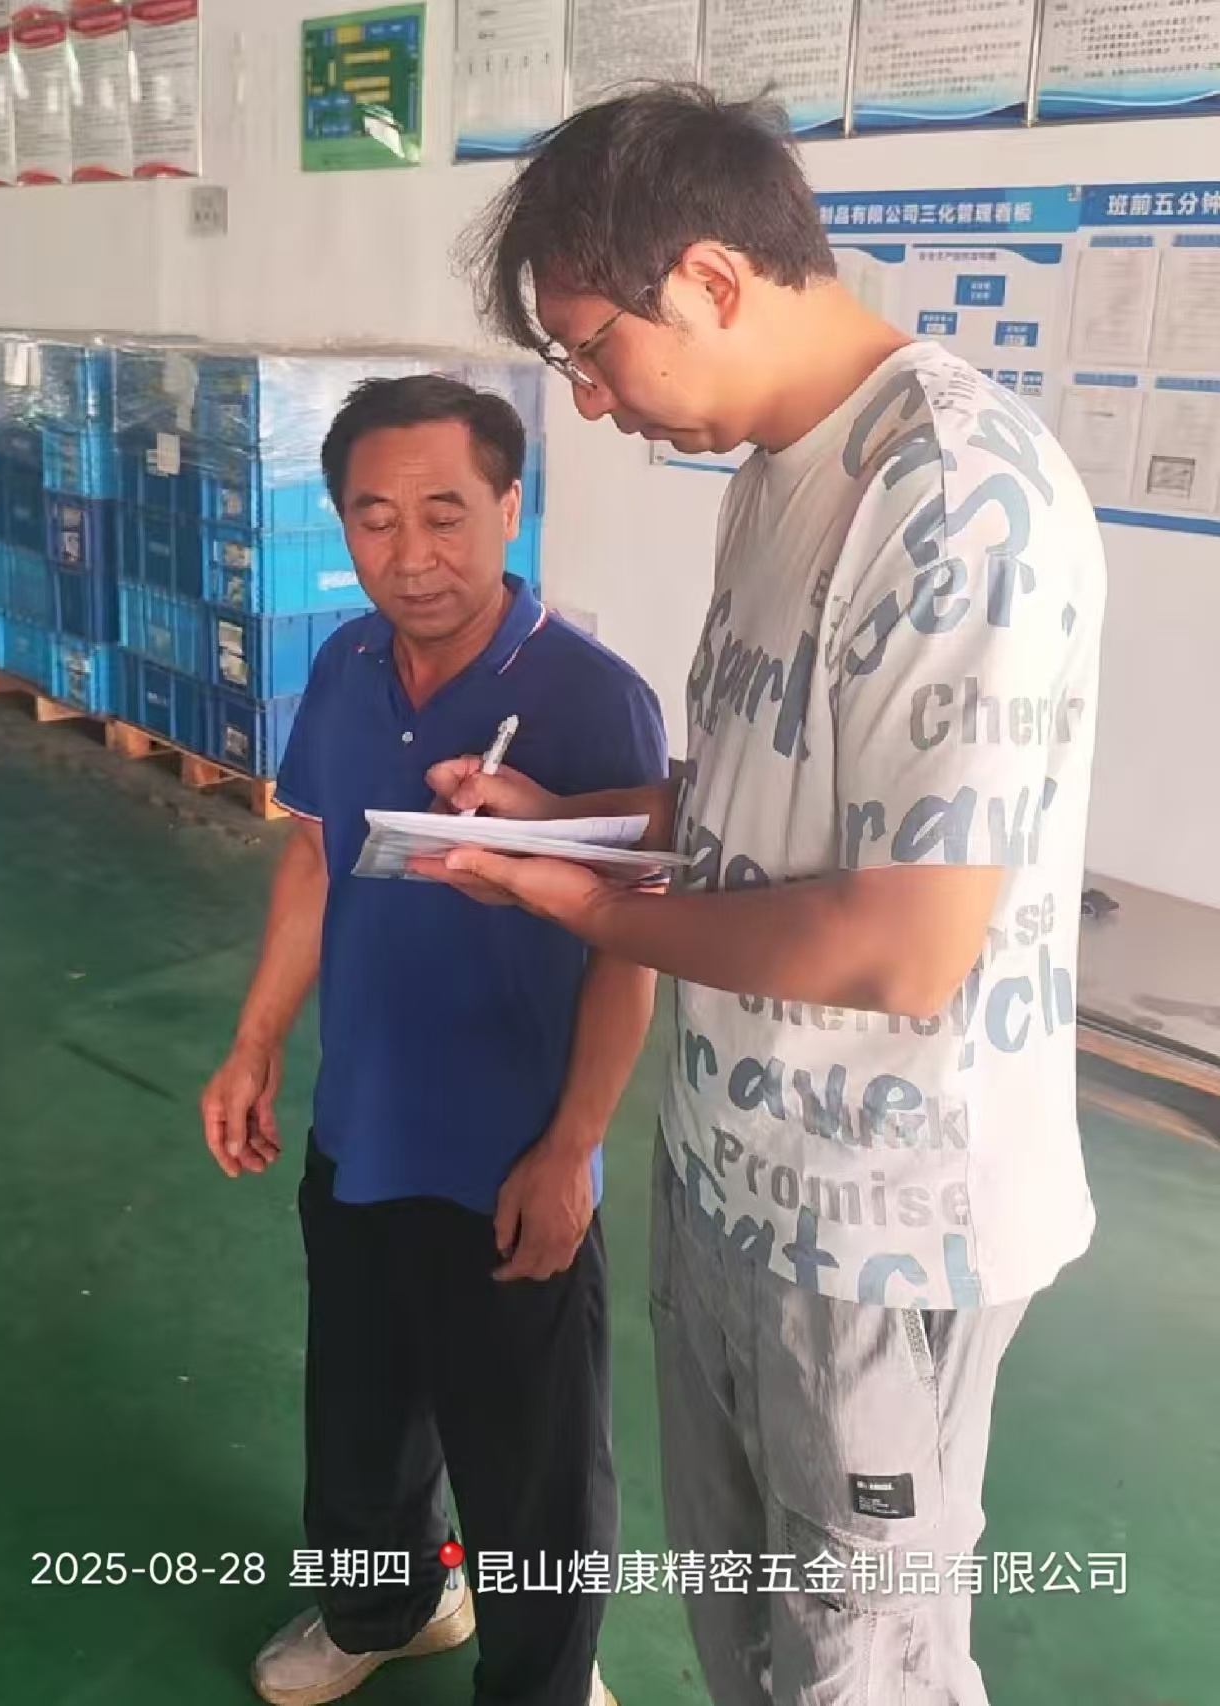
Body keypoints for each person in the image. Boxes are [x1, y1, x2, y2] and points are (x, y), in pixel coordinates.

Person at [422, 88, 1107, 1706]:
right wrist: (571, 821)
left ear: (713, 282)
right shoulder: (779, 471)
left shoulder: (952, 497)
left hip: (881, 1226)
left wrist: (588, 912)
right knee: (746, 1631)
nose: (589, 400)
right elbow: (759, 789)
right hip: (739, 1177)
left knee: (865, 1662)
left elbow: (901, 942)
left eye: (593, 350)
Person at [201, 374, 667, 1706]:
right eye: (376, 518)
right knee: (360, 1417)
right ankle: (387, 1606)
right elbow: (313, 856)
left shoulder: (592, 699)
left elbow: (630, 948)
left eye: (447, 514)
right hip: (362, 1127)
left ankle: (545, 1683)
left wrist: (570, 1150)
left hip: (506, 1155)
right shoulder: (346, 665)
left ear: (511, 507)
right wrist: (256, 1041)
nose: (412, 555)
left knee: (531, 1469)